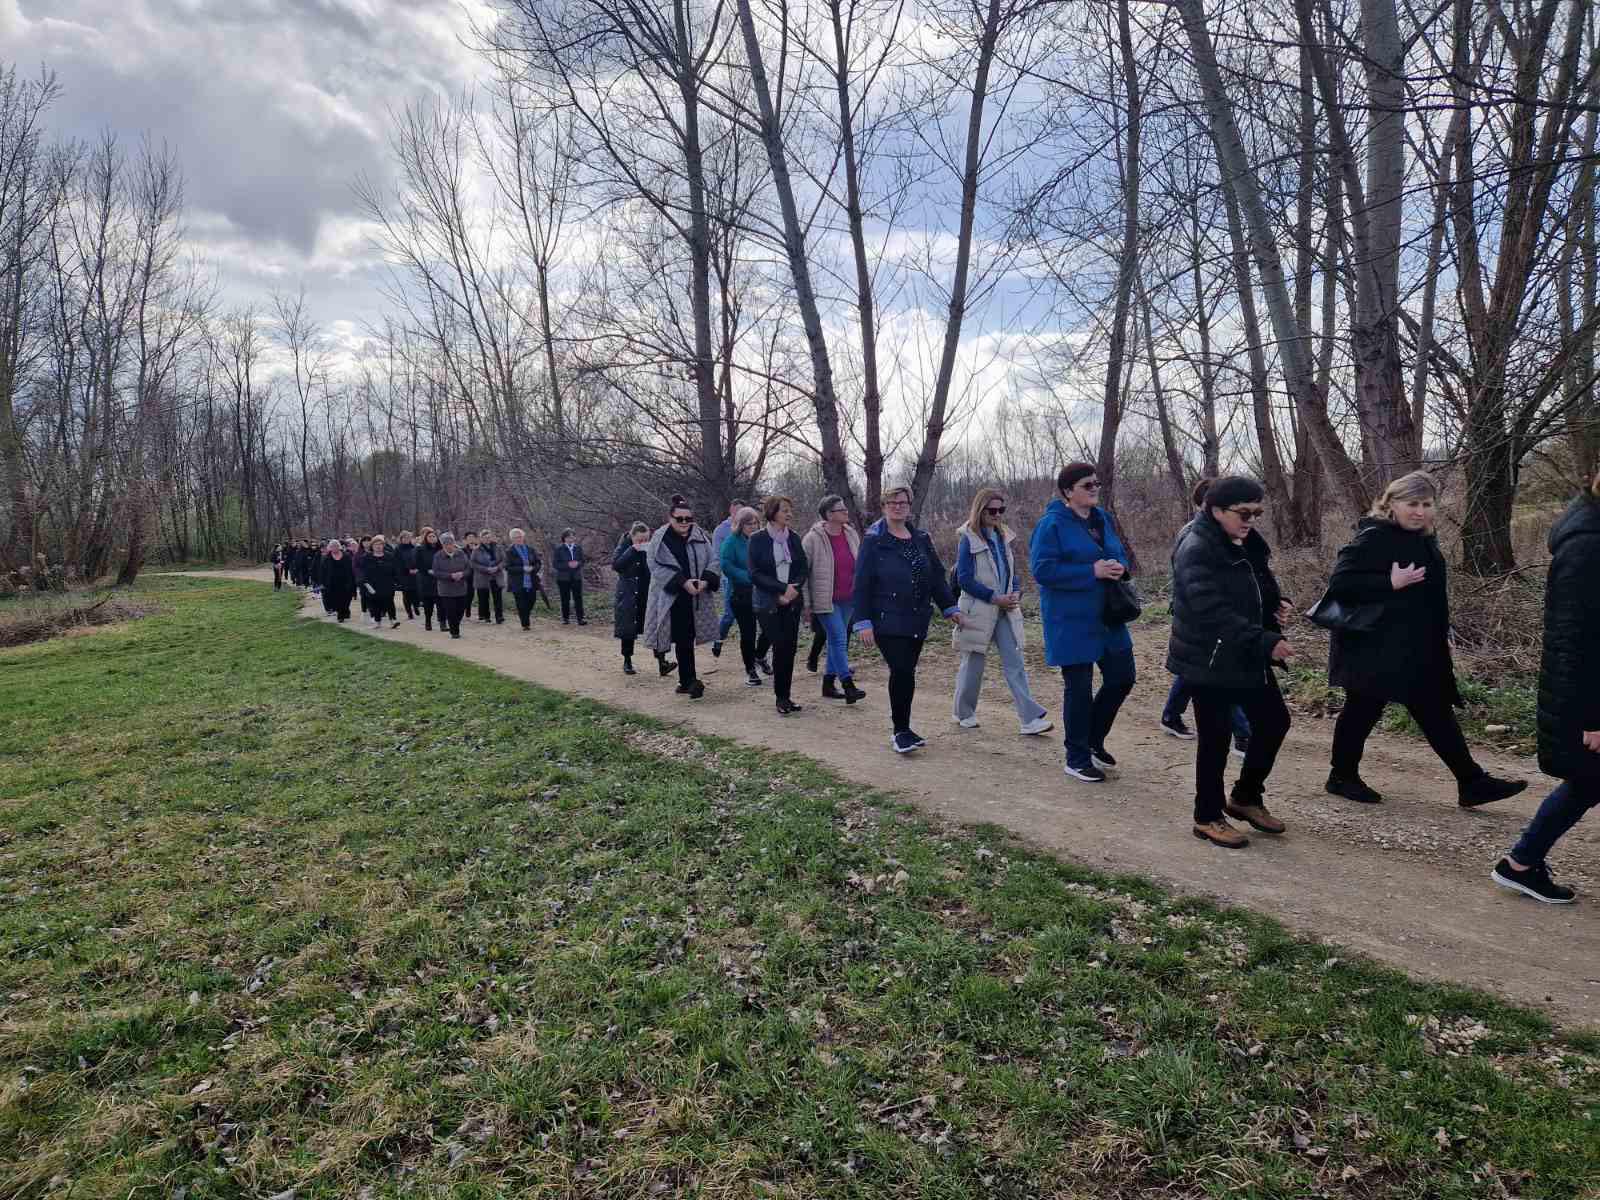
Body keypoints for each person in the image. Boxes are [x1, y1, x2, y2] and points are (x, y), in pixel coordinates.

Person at [1324, 471, 1526, 808]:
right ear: (1391, 505)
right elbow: (1340, 585)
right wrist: (1390, 583)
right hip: (1373, 646)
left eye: (1426, 504)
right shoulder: (1375, 536)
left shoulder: (1422, 538)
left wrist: (1440, 634)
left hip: (1412, 645)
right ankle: (1341, 776)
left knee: (1433, 709)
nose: (1419, 511)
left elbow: (1430, 596)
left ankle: (1471, 782)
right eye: (1411, 504)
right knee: (1362, 709)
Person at [1166, 475, 1294, 848]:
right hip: (1209, 657)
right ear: (1216, 510)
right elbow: (1211, 610)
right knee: (1216, 739)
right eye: (1243, 513)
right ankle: (1206, 816)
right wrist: (1265, 641)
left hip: (1243, 651)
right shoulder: (1197, 547)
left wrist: (1275, 605)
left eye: (1256, 512)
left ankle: (1245, 797)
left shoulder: (1245, 539)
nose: (1251, 519)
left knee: (1274, 722)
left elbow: (1259, 582)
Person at [1492, 474, 1600, 903]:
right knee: (1588, 782)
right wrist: (1594, 717)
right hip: (1587, 699)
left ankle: (1520, 863)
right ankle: (1520, 862)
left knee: (1589, 784)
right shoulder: (1586, 545)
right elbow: (1575, 640)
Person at [1029, 463, 1137, 783]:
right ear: (1068, 491)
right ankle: (1076, 758)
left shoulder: (1100, 519)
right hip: (1070, 619)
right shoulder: (1051, 525)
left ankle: (1092, 739)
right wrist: (1092, 572)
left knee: (1122, 677)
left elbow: (1120, 554)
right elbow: (1042, 571)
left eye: (1096, 483)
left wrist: (1119, 567)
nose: (1094, 489)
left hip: (1109, 615)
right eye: (1087, 485)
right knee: (1078, 688)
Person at [853, 485, 964, 753]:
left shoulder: (921, 538)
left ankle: (905, 727)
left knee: (907, 673)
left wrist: (950, 607)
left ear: (909, 506)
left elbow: (936, 577)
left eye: (903, 502)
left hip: (916, 617)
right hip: (885, 617)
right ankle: (899, 731)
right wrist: (863, 621)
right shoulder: (873, 540)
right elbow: (861, 583)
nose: (898, 506)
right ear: (883, 506)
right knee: (901, 669)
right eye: (892, 502)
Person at [1160, 479, 1252, 756]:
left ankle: (1171, 715)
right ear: (1208, 506)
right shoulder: (1194, 535)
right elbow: (1192, 582)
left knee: (1193, 671)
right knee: (1214, 673)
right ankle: (1243, 734)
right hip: (1196, 615)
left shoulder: (1226, 535)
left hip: (1201, 617)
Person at [953, 488, 1052, 735]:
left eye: (1001, 510)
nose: (997, 514)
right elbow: (963, 579)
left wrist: (1015, 592)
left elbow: (1012, 572)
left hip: (1005, 610)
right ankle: (963, 712)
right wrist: (993, 597)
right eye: (992, 510)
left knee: (1014, 662)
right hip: (978, 610)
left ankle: (1029, 719)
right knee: (973, 664)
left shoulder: (1003, 537)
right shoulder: (968, 539)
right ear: (980, 510)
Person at [642, 495, 721, 699]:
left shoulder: (701, 536)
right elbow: (655, 565)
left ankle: (686, 681)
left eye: (688, 519)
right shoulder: (660, 539)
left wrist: (705, 580)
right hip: (671, 596)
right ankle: (689, 680)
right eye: (680, 519)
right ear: (670, 518)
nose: (684, 523)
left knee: (687, 638)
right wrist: (681, 582)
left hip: (696, 596)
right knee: (680, 638)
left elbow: (713, 560)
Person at [750, 495, 811, 715]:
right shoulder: (757, 539)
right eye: (785, 510)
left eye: (790, 510)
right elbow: (755, 573)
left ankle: (786, 696)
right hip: (768, 603)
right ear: (773, 512)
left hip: (792, 601)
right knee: (781, 646)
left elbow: (803, 567)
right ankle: (780, 698)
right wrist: (780, 589)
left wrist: (794, 588)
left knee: (790, 649)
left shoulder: (793, 538)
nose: (789, 514)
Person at [801, 495, 866, 703]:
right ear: (829, 515)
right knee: (838, 638)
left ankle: (828, 684)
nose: (846, 512)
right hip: (825, 600)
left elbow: (860, 563)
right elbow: (803, 574)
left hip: (849, 597)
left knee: (836, 642)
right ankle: (848, 685)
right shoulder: (812, 539)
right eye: (841, 509)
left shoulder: (851, 533)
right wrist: (806, 604)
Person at [719, 507, 772, 688]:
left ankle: (760, 655)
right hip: (742, 593)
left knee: (770, 628)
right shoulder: (731, 542)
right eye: (749, 523)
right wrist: (752, 577)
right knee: (748, 633)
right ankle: (750, 669)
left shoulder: (762, 540)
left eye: (756, 522)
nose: (753, 526)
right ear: (740, 525)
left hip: (764, 592)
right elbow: (727, 566)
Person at [614, 521, 672, 676]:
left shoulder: (651, 547)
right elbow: (616, 565)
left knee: (655, 627)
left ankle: (662, 662)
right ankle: (627, 661)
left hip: (648, 593)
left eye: (646, 539)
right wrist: (632, 549)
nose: (643, 543)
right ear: (632, 537)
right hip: (628, 593)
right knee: (628, 629)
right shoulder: (624, 546)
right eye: (639, 540)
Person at [711, 497, 746, 657]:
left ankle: (752, 654)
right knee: (729, 614)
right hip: (729, 577)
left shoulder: (749, 529)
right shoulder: (721, 530)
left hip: (749, 578)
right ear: (731, 511)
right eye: (737, 510)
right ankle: (718, 639)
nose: (739, 514)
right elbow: (717, 556)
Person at [430, 533, 473, 638]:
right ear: (443, 545)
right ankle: (455, 632)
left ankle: (455, 624)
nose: (449, 546)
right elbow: (436, 572)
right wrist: (450, 576)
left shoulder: (461, 554)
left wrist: (462, 574)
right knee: (451, 611)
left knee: (460, 610)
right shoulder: (438, 556)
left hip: (461, 587)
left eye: (451, 543)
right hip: (446, 589)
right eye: (446, 544)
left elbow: (468, 569)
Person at [500, 528, 540, 630]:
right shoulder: (509, 551)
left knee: (531, 600)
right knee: (521, 603)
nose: (519, 539)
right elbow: (507, 567)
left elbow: (538, 562)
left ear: (523, 537)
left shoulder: (530, 549)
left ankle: (525, 615)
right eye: (516, 537)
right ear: (512, 539)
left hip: (531, 580)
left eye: (520, 537)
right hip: (517, 581)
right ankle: (525, 624)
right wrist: (522, 569)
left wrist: (533, 568)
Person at [363, 535, 403, 628]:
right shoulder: (367, 557)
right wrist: (366, 583)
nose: (378, 546)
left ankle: (393, 620)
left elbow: (395, 569)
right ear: (372, 546)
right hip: (373, 584)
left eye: (380, 544)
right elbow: (364, 571)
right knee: (375, 603)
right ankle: (377, 622)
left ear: (383, 545)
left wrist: (397, 581)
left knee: (389, 602)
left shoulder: (389, 556)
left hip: (388, 583)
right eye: (376, 544)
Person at [471, 529, 506, 624]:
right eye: (485, 537)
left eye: (489, 537)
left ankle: (499, 616)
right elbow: (473, 563)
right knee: (484, 598)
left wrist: (497, 567)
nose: (487, 539)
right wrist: (485, 569)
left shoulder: (498, 548)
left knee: (497, 597)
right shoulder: (477, 550)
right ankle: (486, 615)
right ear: (481, 539)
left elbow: (504, 560)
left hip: (496, 575)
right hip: (483, 576)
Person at [554, 530, 587, 625]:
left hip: (576, 577)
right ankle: (565, 618)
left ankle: (580, 619)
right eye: (569, 537)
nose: (571, 539)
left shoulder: (578, 548)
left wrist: (578, 563)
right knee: (565, 598)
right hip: (563, 578)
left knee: (578, 598)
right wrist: (568, 565)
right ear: (564, 538)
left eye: (573, 537)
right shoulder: (558, 549)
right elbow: (555, 564)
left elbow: (583, 561)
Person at [321, 539, 356, 622]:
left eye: (336, 546)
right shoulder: (326, 558)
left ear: (339, 547)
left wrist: (352, 580)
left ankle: (346, 610)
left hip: (346, 581)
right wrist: (323, 582)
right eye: (332, 546)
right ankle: (340, 615)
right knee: (336, 599)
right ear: (330, 548)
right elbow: (323, 571)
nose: (334, 548)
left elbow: (351, 569)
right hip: (332, 583)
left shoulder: (346, 556)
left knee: (347, 598)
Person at [415, 528, 442, 631]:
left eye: (434, 536)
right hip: (426, 579)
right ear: (426, 538)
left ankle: (442, 622)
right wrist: (427, 571)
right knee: (428, 603)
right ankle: (428, 621)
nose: (432, 538)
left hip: (439, 578)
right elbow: (417, 563)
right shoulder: (420, 549)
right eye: (429, 536)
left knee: (441, 602)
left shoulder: (441, 549)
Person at [396, 531, 421, 620]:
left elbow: (418, 559)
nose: (407, 539)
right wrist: (407, 570)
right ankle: (409, 612)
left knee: (416, 593)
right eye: (405, 538)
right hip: (404, 575)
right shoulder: (398, 549)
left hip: (415, 574)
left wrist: (417, 569)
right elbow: (397, 563)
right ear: (401, 539)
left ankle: (416, 606)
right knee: (406, 594)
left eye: (408, 538)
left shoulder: (414, 548)